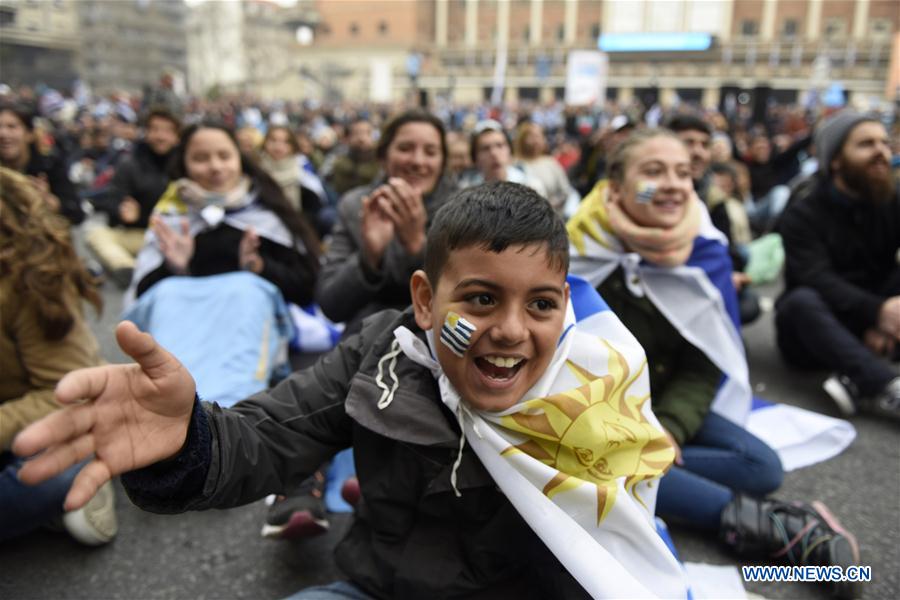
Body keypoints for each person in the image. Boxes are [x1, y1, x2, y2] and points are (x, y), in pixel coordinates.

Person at [13, 182, 695, 599]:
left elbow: (604, 557)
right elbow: (269, 434)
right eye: (482, 299)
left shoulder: (589, 389)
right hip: (379, 587)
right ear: (425, 302)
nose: (511, 331)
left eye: (541, 305)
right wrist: (187, 440)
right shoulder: (381, 354)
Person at [567, 129, 860, 599]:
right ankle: (785, 531)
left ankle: (650, 477)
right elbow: (565, 366)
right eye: (654, 172)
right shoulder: (576, 252)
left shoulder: (705, 249)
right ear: (616, 189)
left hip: (666, 410)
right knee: (591, 458)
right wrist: (638, 430)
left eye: (684, 173)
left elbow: (704, 365)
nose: (673, 185)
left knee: (763, 467)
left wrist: (671, 428)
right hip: (599, 418)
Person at [124, 122, 322, 408]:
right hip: (184, 334)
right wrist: (174, 267)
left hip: (248, 331)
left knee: (246, 290)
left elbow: (307, 288)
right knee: (169, 296)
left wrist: (259, 267)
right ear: (184, 165)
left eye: (224, 156)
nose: (215, 167)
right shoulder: (171, 217)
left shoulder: (267, 216)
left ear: (240, 160)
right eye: (201, 158)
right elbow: (144, 299)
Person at [0, 167, 115, 545]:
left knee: (44, 478)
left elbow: (63, 391)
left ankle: (91, 472)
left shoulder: (30, 278)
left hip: (45, 414)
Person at [776, 111, 900, 419]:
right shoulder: (802, 213)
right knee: (799, 301)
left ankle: (856, 376)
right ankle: (886, 385)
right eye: (866, 144)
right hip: (817, 329)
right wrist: (878, 312)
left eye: (885, 143)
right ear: (835, 160)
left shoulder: (891, 201)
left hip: (875, 319)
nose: (882, 152)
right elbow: (817, 279)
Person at [316, 109, 457, 335]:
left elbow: (462, 301)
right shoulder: (357, 206)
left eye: (430, 152)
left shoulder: (463, 210)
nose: (418, 161)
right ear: (383, 156)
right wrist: (369, 258)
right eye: (405, 149)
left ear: (442, 163)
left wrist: (417, 248)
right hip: (367, 344)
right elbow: (331, 305)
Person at [665, 114, 758, 324]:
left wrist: (729, 272)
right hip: (658, 282)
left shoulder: (714, 199)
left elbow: (729, 250)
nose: (698, 152)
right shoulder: (647, 192)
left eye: (705, 145)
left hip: (702, 281)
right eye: (688, 142)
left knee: (748, 304)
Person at [85, 107, 181, 287]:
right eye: (155, 129)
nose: (160, 136)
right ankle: (129, 269)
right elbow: (110, 198)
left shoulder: (188, 164)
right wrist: (122, 211)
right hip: (141, 234)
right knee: (95, 234)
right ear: (146, 132)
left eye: (167, 131)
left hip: (178, 236)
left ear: (177, 136)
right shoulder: (130, 163)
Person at [0, 103, 83, 225]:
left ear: (29, 134)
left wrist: (47, 200)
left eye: (12, 127)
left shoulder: (49, 166)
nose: (3, 134)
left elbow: (77, 214)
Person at [257, 124, 331, 235]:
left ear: (292, 146)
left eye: (285, 142)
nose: (278, 146)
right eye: (273, 140)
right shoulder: (256, 171)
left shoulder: (302, 173)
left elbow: (314, 210)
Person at [458, 119, 544, 195]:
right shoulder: (468, 192)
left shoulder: (530, 187)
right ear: (475, 158)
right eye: (485, 148)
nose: (494, 153)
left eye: (499, 145)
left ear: (510, 150)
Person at [513, 121, 580, 218]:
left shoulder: (550, 162)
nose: (535, 140)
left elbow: (566, 190)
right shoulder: (516, 165)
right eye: (531, 136)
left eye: (538, 136)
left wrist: (554, 204)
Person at [326, 118, 380, 197]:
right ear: (349, 137)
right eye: (357, 133)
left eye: (367, 133)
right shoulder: (339, 161)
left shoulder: (381, 162)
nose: (362, 138)